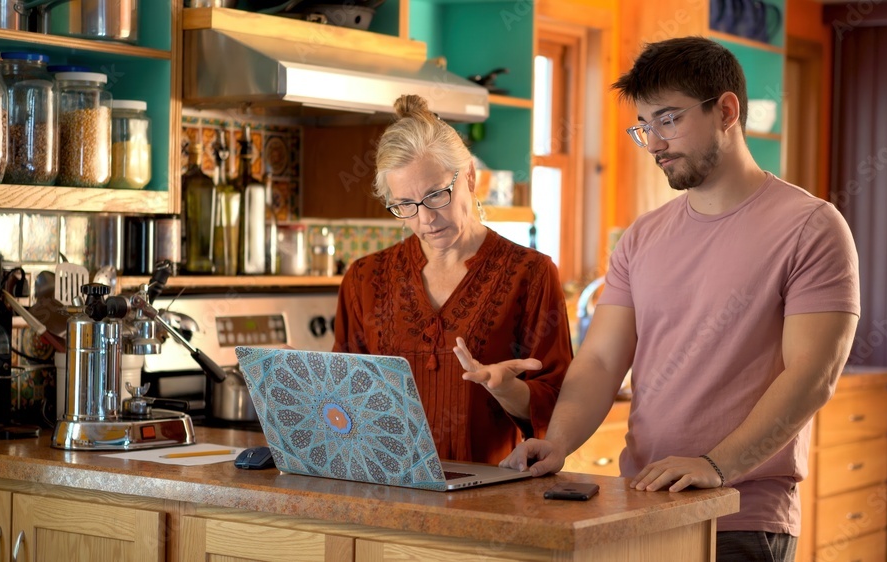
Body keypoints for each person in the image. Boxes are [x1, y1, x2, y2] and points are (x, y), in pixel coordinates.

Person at [500, 36, 859, 562]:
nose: (654, 143)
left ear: (726, 111)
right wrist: (558, 442)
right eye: (643, 126)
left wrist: (716, 465)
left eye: (668, 120)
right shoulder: (641, 237)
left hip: (741, 517)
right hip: (640, 505)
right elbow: (601, 361)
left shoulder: (812, 227)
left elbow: (812, 375)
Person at [333, 94, 573, 465]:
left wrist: (508, 390)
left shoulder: (531, 274)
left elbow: (559, 408)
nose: (426, 218)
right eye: (405, 205)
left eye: (436, 195)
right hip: (386, 485)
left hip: (493, 490)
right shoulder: (364, 278)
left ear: (470, 177)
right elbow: (342, 402)